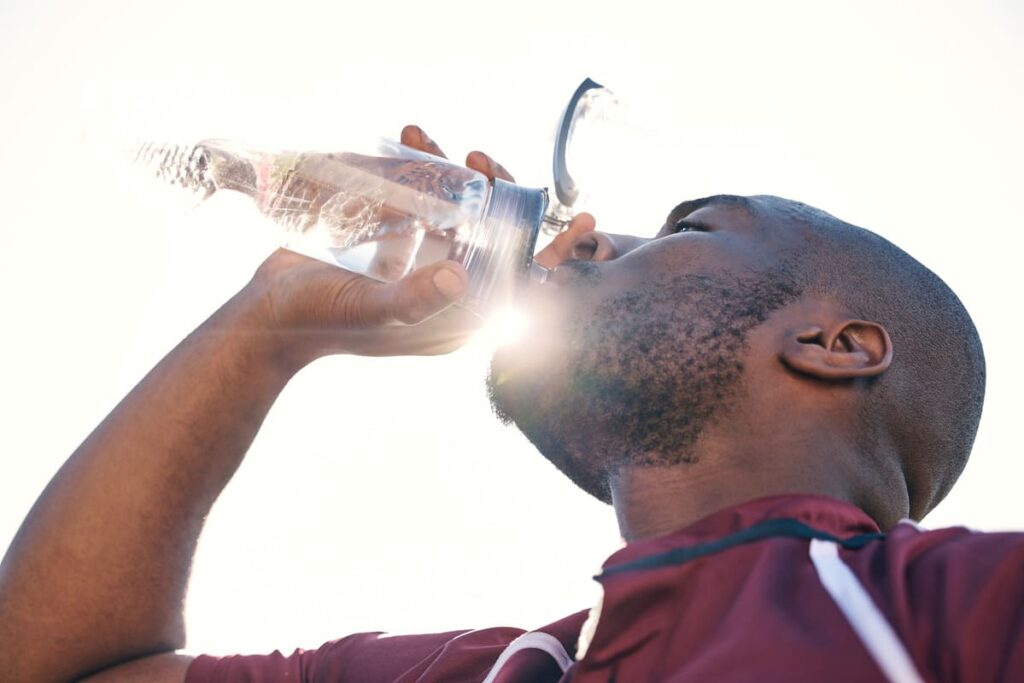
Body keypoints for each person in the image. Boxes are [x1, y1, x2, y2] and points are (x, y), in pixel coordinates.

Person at [0, 124, 1013, 683]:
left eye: (685, 227)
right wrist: (270, 326)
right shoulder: (501, 668)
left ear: (834, 346)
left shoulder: (961, 610)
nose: (579, 239)